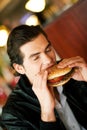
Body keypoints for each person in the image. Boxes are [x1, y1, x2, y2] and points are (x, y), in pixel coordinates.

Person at [0, 24, 87, 130]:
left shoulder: (75, 72)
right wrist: (47, 112)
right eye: (36, 57)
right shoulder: (12, 115)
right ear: (19, 68)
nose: (48, 60)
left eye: (48, 50)